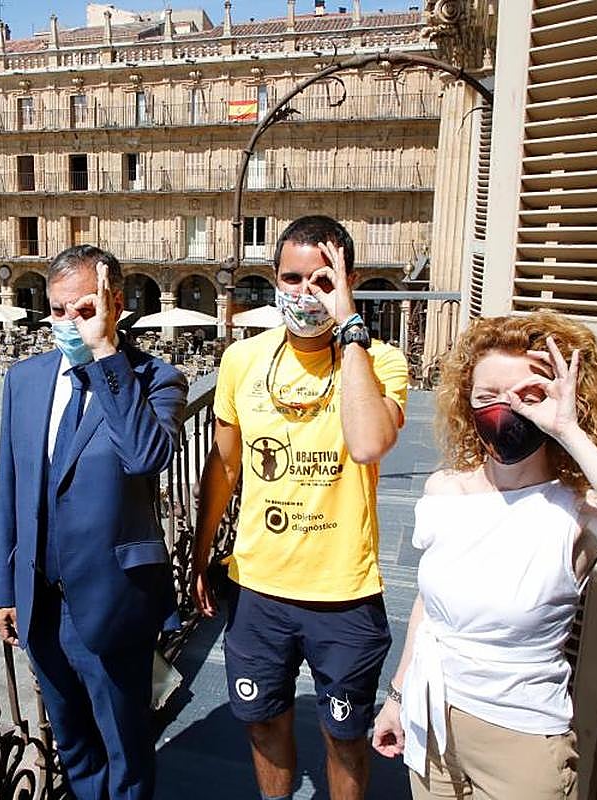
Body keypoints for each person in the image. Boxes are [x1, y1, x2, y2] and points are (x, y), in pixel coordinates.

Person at [370, 312, 597, 800]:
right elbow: (429, 609)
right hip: (431, 721)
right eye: (488, 398)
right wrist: (397, 698)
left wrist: (570, 432)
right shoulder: (445, 491)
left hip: (521, 741)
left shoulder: (577, 511)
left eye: (529, 396)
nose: (506, 412)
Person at [192, 215, 409, 800]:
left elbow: (367, 443)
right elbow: (227, 465)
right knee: (263, 720)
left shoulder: (380, 362)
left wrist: (350, 330)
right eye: (292, 278)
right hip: (260, 587)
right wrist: (199, 553)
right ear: (274, 278)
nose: (303, 293)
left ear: (347, 281)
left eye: (322, 279)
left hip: (345, 592)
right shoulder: (242, 360)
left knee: (345, 735)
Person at [0, 245, 187, 800]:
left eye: (83, 310)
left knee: (125, 747)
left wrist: (105, 354)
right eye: (58, 311)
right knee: (73, 743)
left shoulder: (155, 380)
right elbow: (10, 489)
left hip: (112, 600)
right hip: (41, 603)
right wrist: (5, 589)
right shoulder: (25, 380)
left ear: (114, 305)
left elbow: (145, 456)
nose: (68, 323)